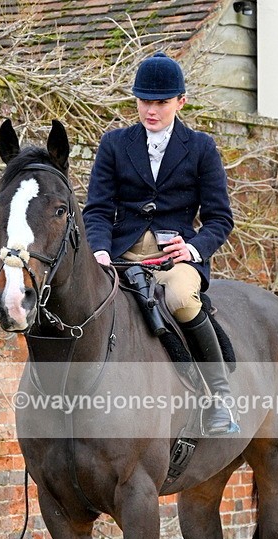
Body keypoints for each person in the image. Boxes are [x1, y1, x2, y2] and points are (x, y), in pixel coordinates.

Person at [83, 52, 239, 435]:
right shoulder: (115, 144)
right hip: (120, 256)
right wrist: (100, 249)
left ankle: (219, 399)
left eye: (161, 102)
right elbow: (97, 209)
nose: (151, 110)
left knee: (182, 300)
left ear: (180, 101)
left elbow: (220, 218)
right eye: (144, 101)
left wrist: (194, 249)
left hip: (175, 261)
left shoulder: (200, 147)